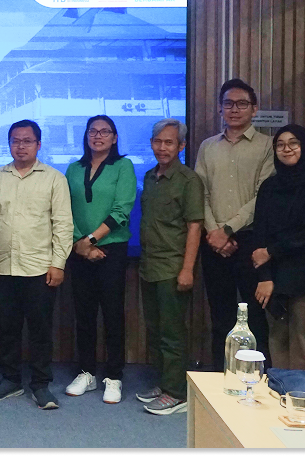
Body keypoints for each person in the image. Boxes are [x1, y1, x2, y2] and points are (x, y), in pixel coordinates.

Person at [0, 120, 73, 410]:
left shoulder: (54, 178)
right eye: (15, 141)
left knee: (40, 329)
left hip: (40, 269)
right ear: (9, 144)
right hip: (3, 267)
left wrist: (58, 263)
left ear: (39, 145)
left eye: (27, 141)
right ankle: (10, 381)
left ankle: (41, 385)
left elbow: (63, 224)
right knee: (7, 328)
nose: (21, 146)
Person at [194, 78, 275, 371]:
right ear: (220, 108)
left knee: (255, 316)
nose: (234, 109)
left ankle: (260, 380)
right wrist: (214, 232)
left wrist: (226, 230)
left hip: (250, 243)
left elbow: (262, 196)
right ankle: (219, 377)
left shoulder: (268, 145)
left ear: (254, 109)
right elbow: (199, 193)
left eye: (242, 104)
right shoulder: (207, 147)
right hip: (213, 244)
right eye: (228, 103)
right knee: (220, 316)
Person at [250, 125, 305, 373]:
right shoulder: (270, 187)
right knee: (278, 346)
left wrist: (272, 251)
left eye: (293, 143)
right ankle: (282, 404)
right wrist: (264, 277)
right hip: (275, 280)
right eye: (280, 144)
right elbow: (260, 234)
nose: (286, 148)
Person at [63, 115, 137, 405]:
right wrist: (79, 244)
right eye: (93, 131)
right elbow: (63, 209)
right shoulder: (73, 168)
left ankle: (114, 376)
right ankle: (86, 372)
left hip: (111, 250)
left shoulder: (123, 166)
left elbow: (122, 209)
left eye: (105, 132)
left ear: (115, 138)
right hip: (79, 250)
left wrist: (91, 240)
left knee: (112, 314)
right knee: (83, 314)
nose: (98, 136)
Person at [137, 119, 203, 415]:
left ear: (181, 146)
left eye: (169, 143)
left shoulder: (189, 180)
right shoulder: (150, 177)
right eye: (158, 142)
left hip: (173, 267)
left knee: (172, 333)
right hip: (148, 266)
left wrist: (187, 269)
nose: (162, 147)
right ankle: (165, 383)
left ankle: (177, 393)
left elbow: (194, 227)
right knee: (155, 329)